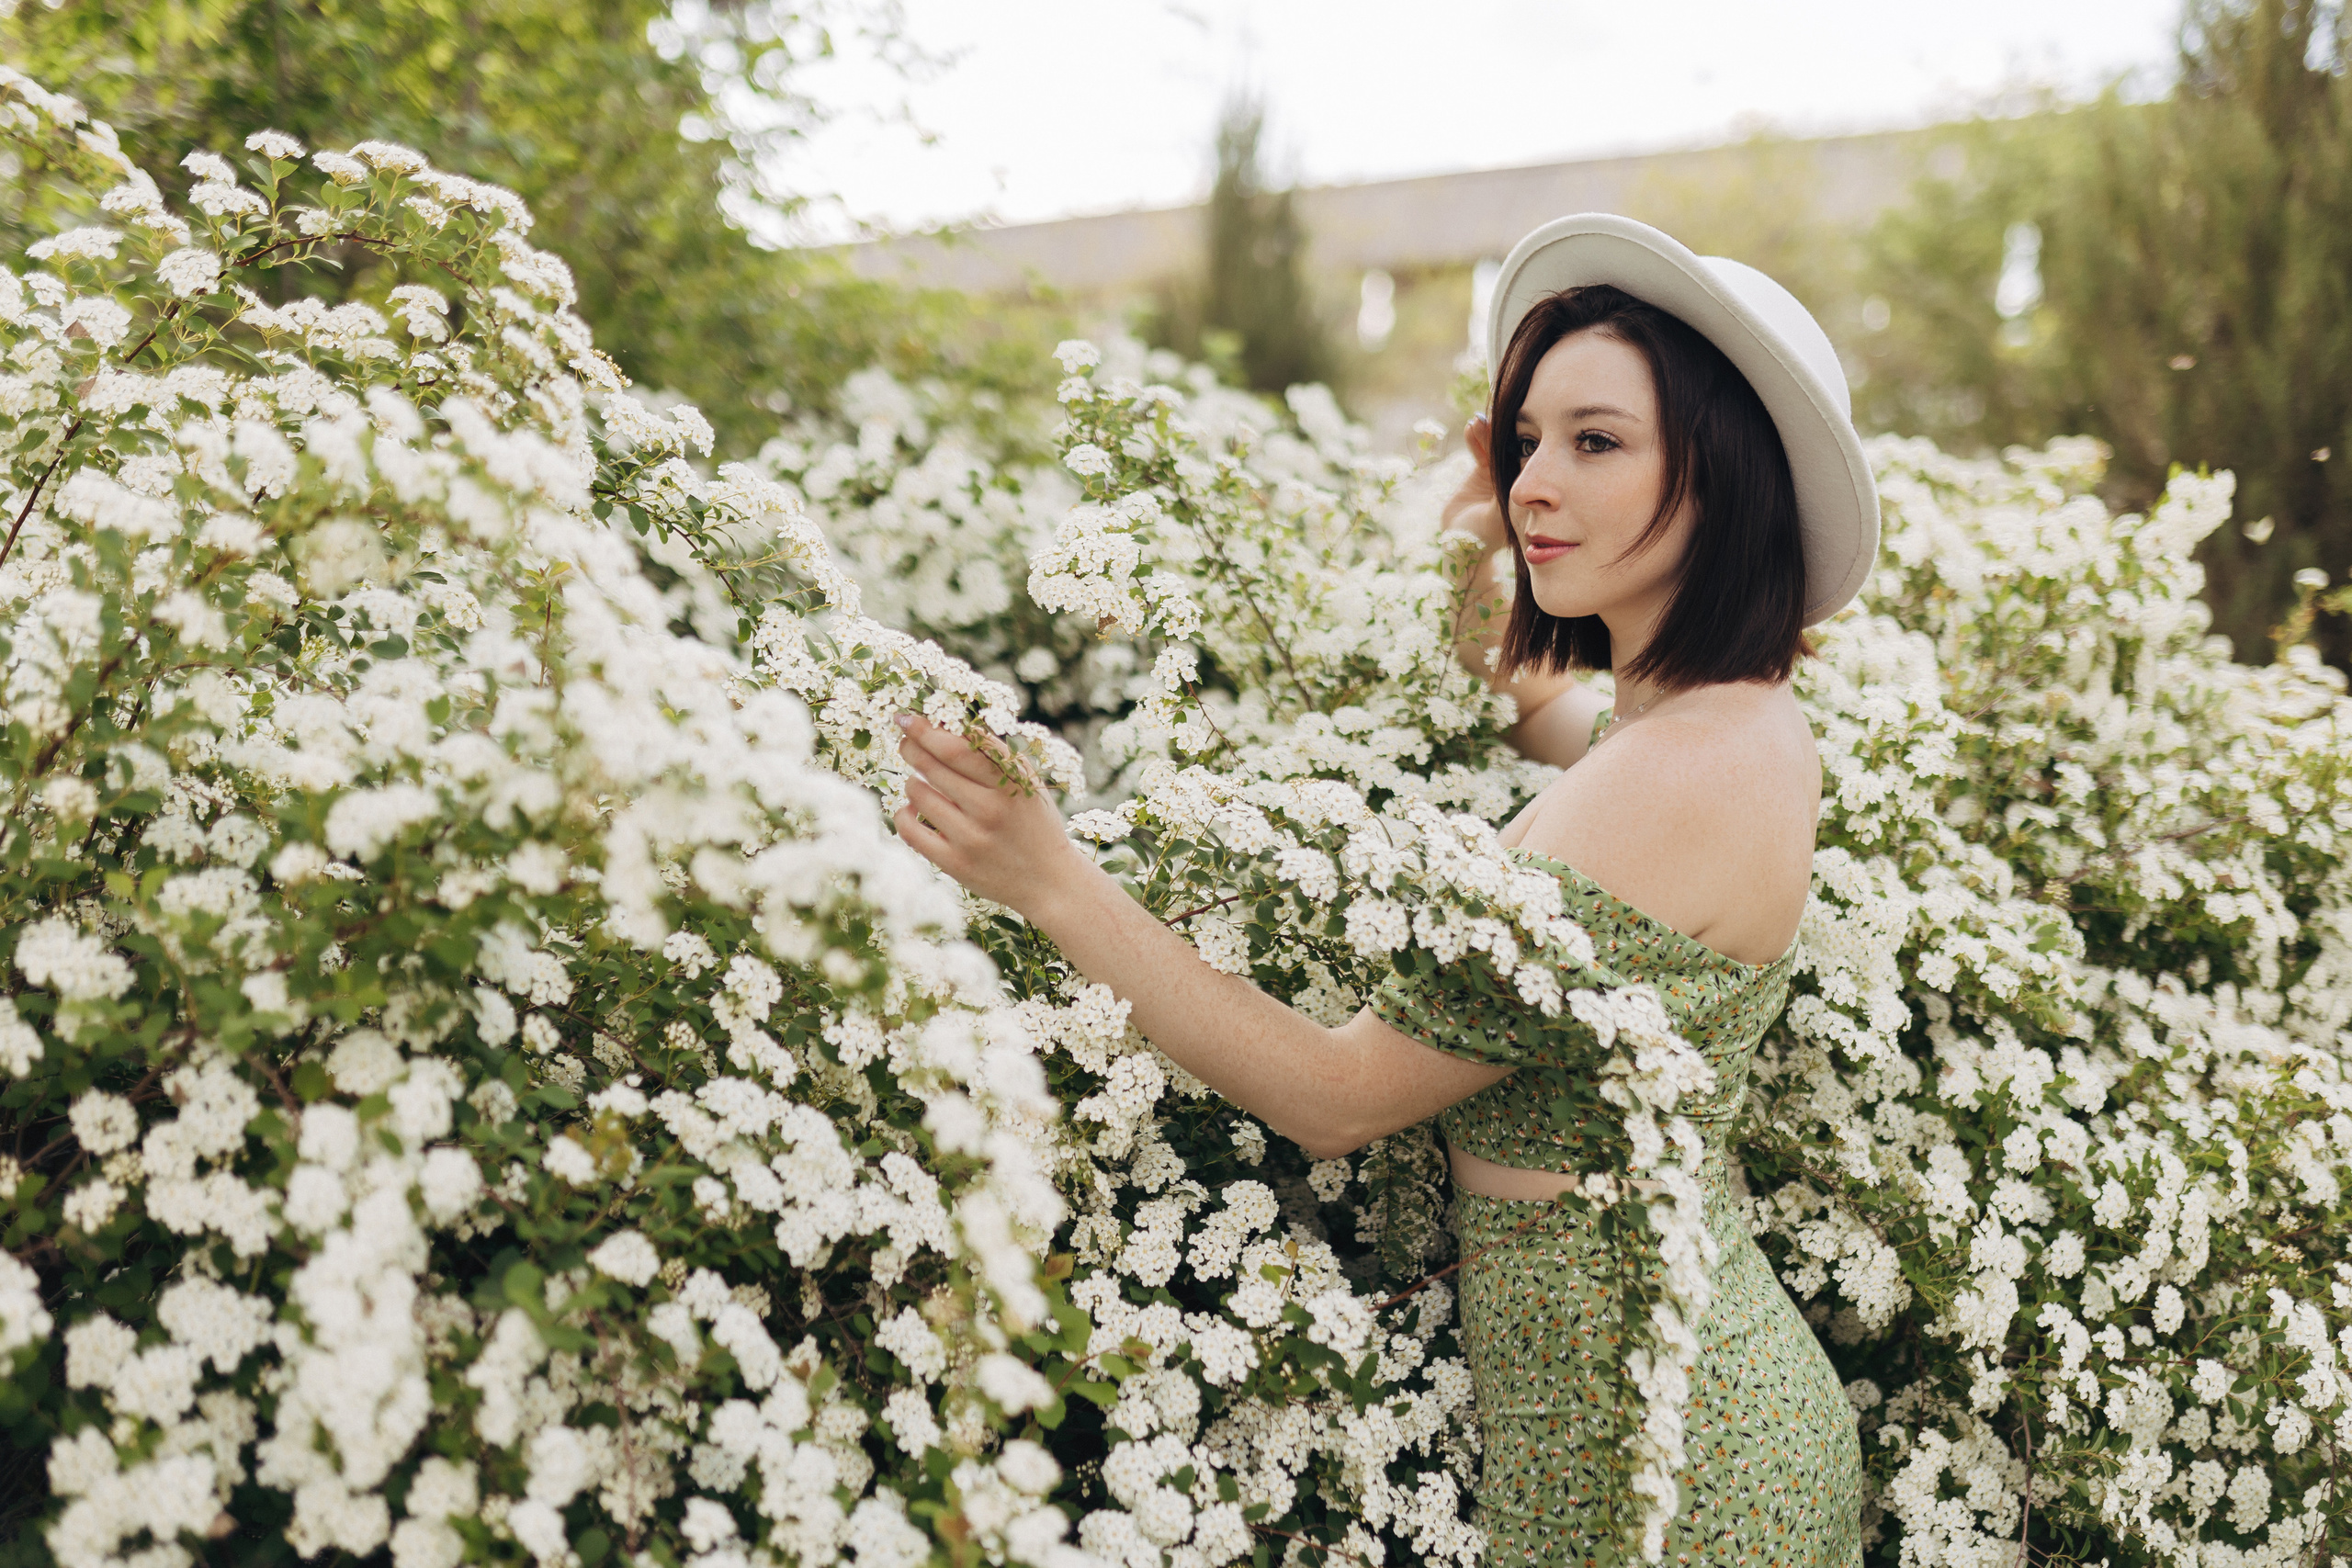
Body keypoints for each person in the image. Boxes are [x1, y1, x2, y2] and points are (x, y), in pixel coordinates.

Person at [889, 213, 1876, 1568]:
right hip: (1661, 1414)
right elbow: (1560, 747)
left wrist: (1048, 877)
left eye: (1598, 443)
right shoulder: (1710, 724)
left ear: (1729, 477)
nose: (1537, 482)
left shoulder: (1679, 772)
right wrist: (1500, 601)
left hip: (1678, 1471)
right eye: (1526, 438)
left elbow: (1335, 1094)